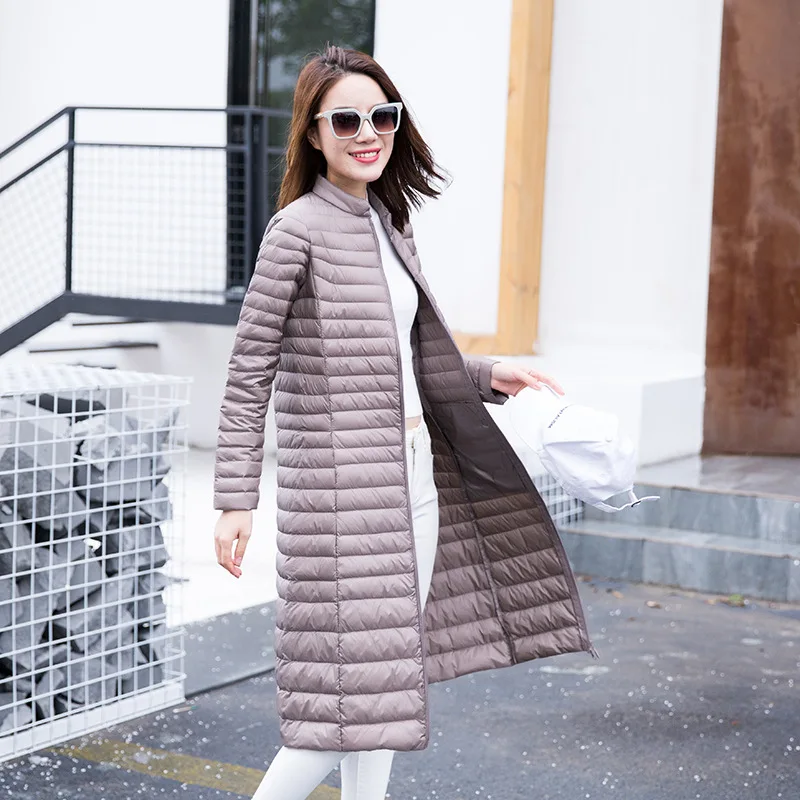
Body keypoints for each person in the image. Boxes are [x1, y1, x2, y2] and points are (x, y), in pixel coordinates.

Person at [213, 44, 596, 800]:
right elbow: (248, 369)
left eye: (382, 116)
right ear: (313, 133)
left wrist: (486, 375)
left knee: (387, 685)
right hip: (341, 500)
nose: (368, 133)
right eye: (346, 120)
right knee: (342, 708)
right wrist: (235, 498)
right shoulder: (296, 230)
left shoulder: (389, 222)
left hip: (414, 482)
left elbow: (402, 352)